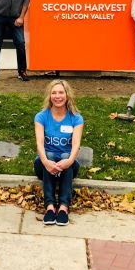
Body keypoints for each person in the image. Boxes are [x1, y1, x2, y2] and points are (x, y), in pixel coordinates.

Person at [34, 79, 83, 226]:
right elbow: (39, 143)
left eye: (61, 92)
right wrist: (45, 162)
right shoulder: (41, 116)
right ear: (49, 96)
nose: (57, 96)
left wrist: (69, 161)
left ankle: (63, 207)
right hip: (44, 165)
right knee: (49, 155)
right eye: (53, 93)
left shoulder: (76, 118)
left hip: (68, 165)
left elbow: (76, 145)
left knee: (66, 156)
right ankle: (49, 206)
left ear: (67, 95)